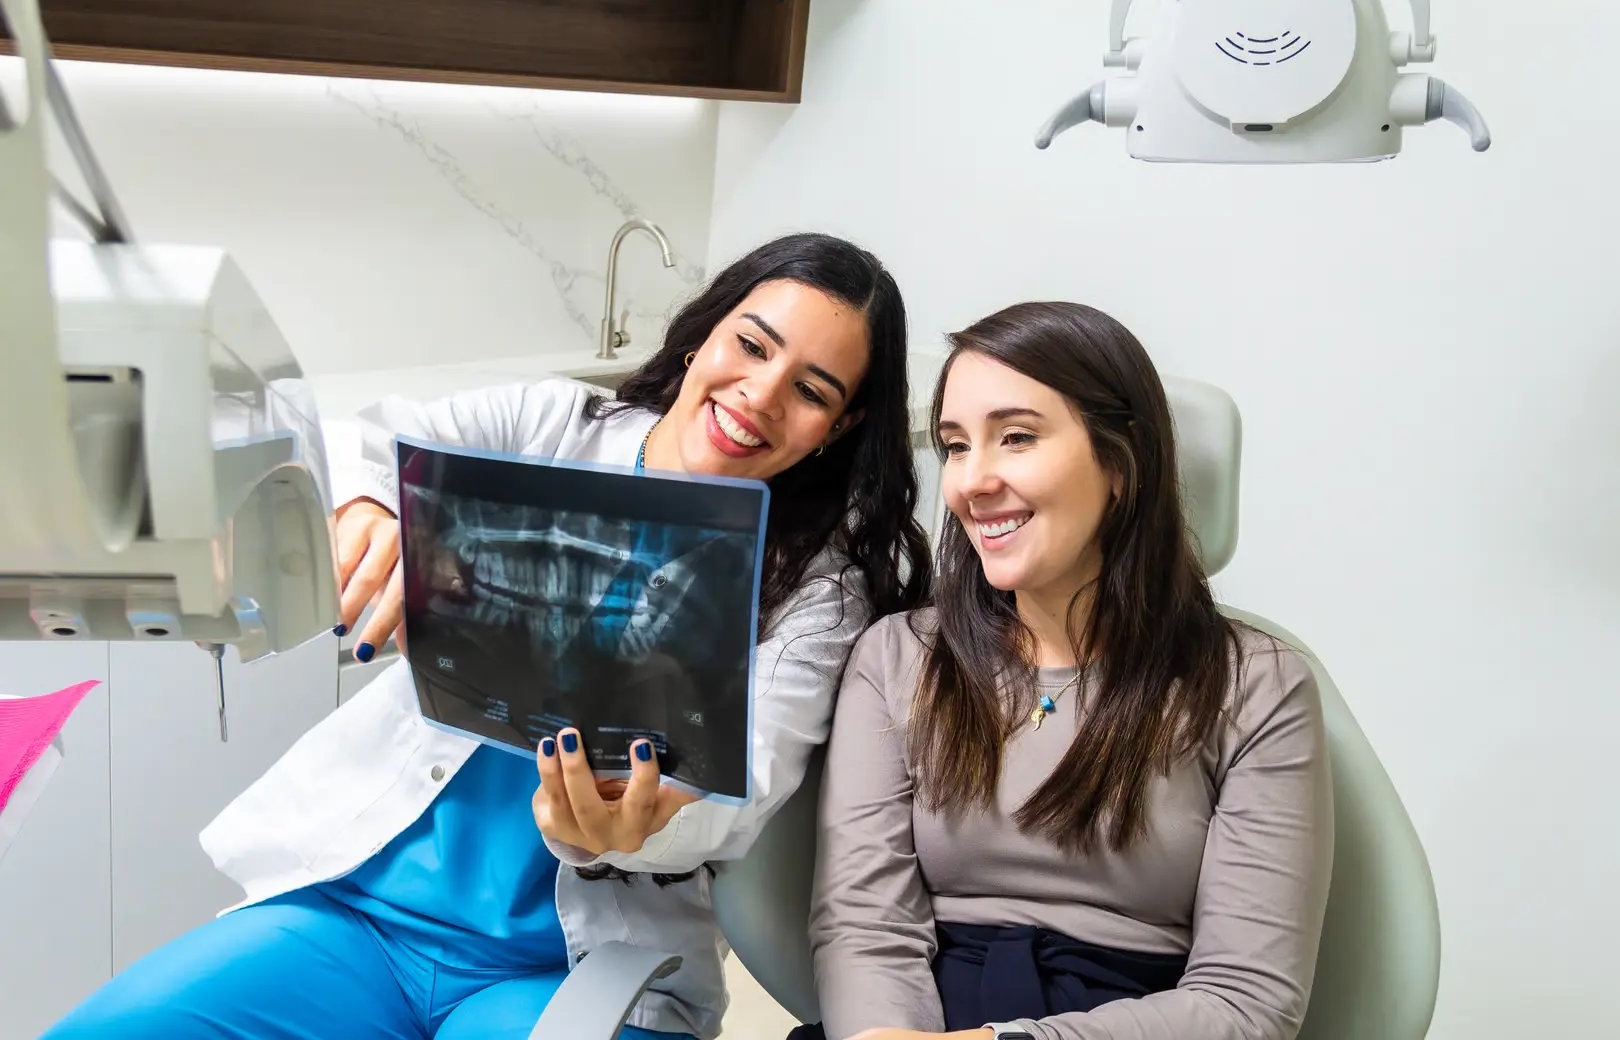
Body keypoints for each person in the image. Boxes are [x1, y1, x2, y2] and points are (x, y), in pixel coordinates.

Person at [45, 232, 932, 1040]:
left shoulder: (820, 596)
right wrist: (369, 505)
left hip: (572, 966)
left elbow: (740, 792)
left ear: (839, 427)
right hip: (362, 915)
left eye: (811, 391)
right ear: (706, 333)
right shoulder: (549, 426)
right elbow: (357, 442)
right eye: (752, 345)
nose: (760, 395)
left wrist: (634, 824)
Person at [804, 302, 1334, 1040]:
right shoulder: (897, 657)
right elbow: (866, 925)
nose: (971, 481)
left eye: (1016, 437)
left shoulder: (1258, 686)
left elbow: (1247, 1002)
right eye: (955, 446)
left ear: (1120, 462)